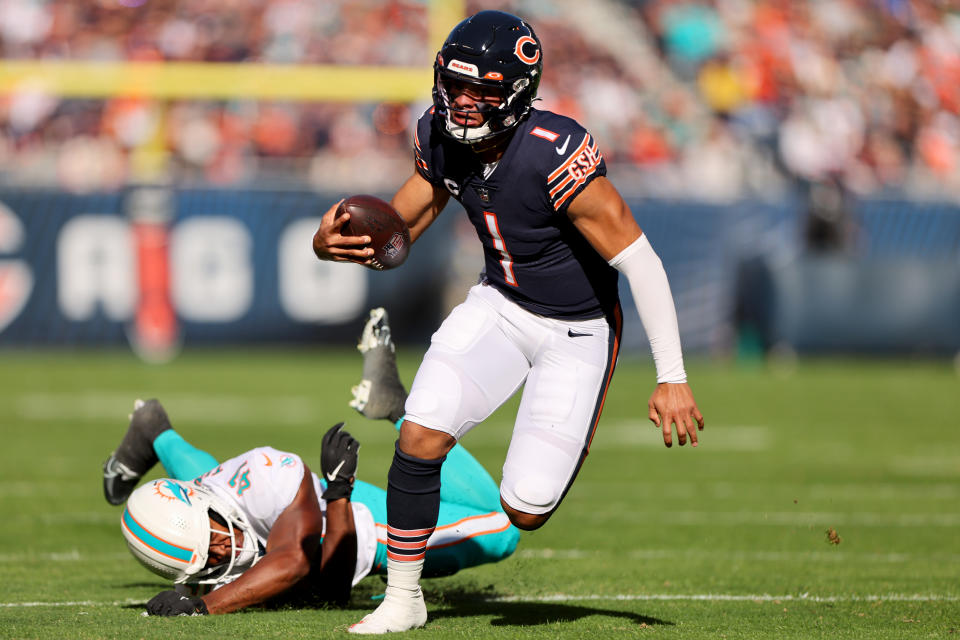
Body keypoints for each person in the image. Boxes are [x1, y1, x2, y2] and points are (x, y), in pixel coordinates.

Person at [312, 10, 706, 634]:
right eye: (456, 87)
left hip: (577, 333)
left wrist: (673, 375)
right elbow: (397, 236)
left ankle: (473, 494)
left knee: (525, 508)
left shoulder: (554, 152)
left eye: (484, 92)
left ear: (517, 93)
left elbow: (644, 264)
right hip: (499, 305)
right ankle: (404, 597)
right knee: (420, 436)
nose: (464, 104)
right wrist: (333, 245)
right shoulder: (438, 136)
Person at [101, 309, 518, 616]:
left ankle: (399, 410)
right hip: (313, 510)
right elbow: (322, 589)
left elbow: (307, 570)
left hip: (356, 522)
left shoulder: (272, 474)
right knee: (204, 475)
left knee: (503, 529)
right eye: (209, 553)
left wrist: (203, 606)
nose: (224, 549)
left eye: (214, 537)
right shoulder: (205, 513)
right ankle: (155, 430)